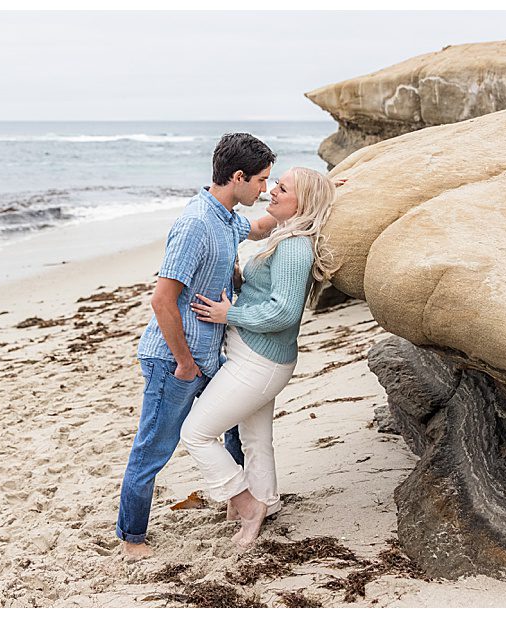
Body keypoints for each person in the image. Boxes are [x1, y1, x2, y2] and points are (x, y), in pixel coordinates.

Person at [116, 133, 280, 559]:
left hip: (209, 356)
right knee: (153, 449)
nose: (264, 190)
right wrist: (185, 364)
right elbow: (162, 300)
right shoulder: (196, 225)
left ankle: (239, 504)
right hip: (174, 360)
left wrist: (318, 194)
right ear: (238, 176)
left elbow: (261, 227)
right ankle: (132, 539)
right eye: (261, 180)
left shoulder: (226, 218)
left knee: (234, 425)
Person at [180, 167, 339, 551]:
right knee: (255, 439)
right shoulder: (285, 235)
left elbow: (283, 312)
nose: (272, 191)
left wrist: (228, 314)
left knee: (196, 434)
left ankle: (248, 506)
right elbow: (267, 292)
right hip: (257, 358)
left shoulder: (295, 247)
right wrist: (238, 281)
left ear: (303, 203)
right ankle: (267, 501)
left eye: (283, 188)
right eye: (275, 184)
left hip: (258, 363)